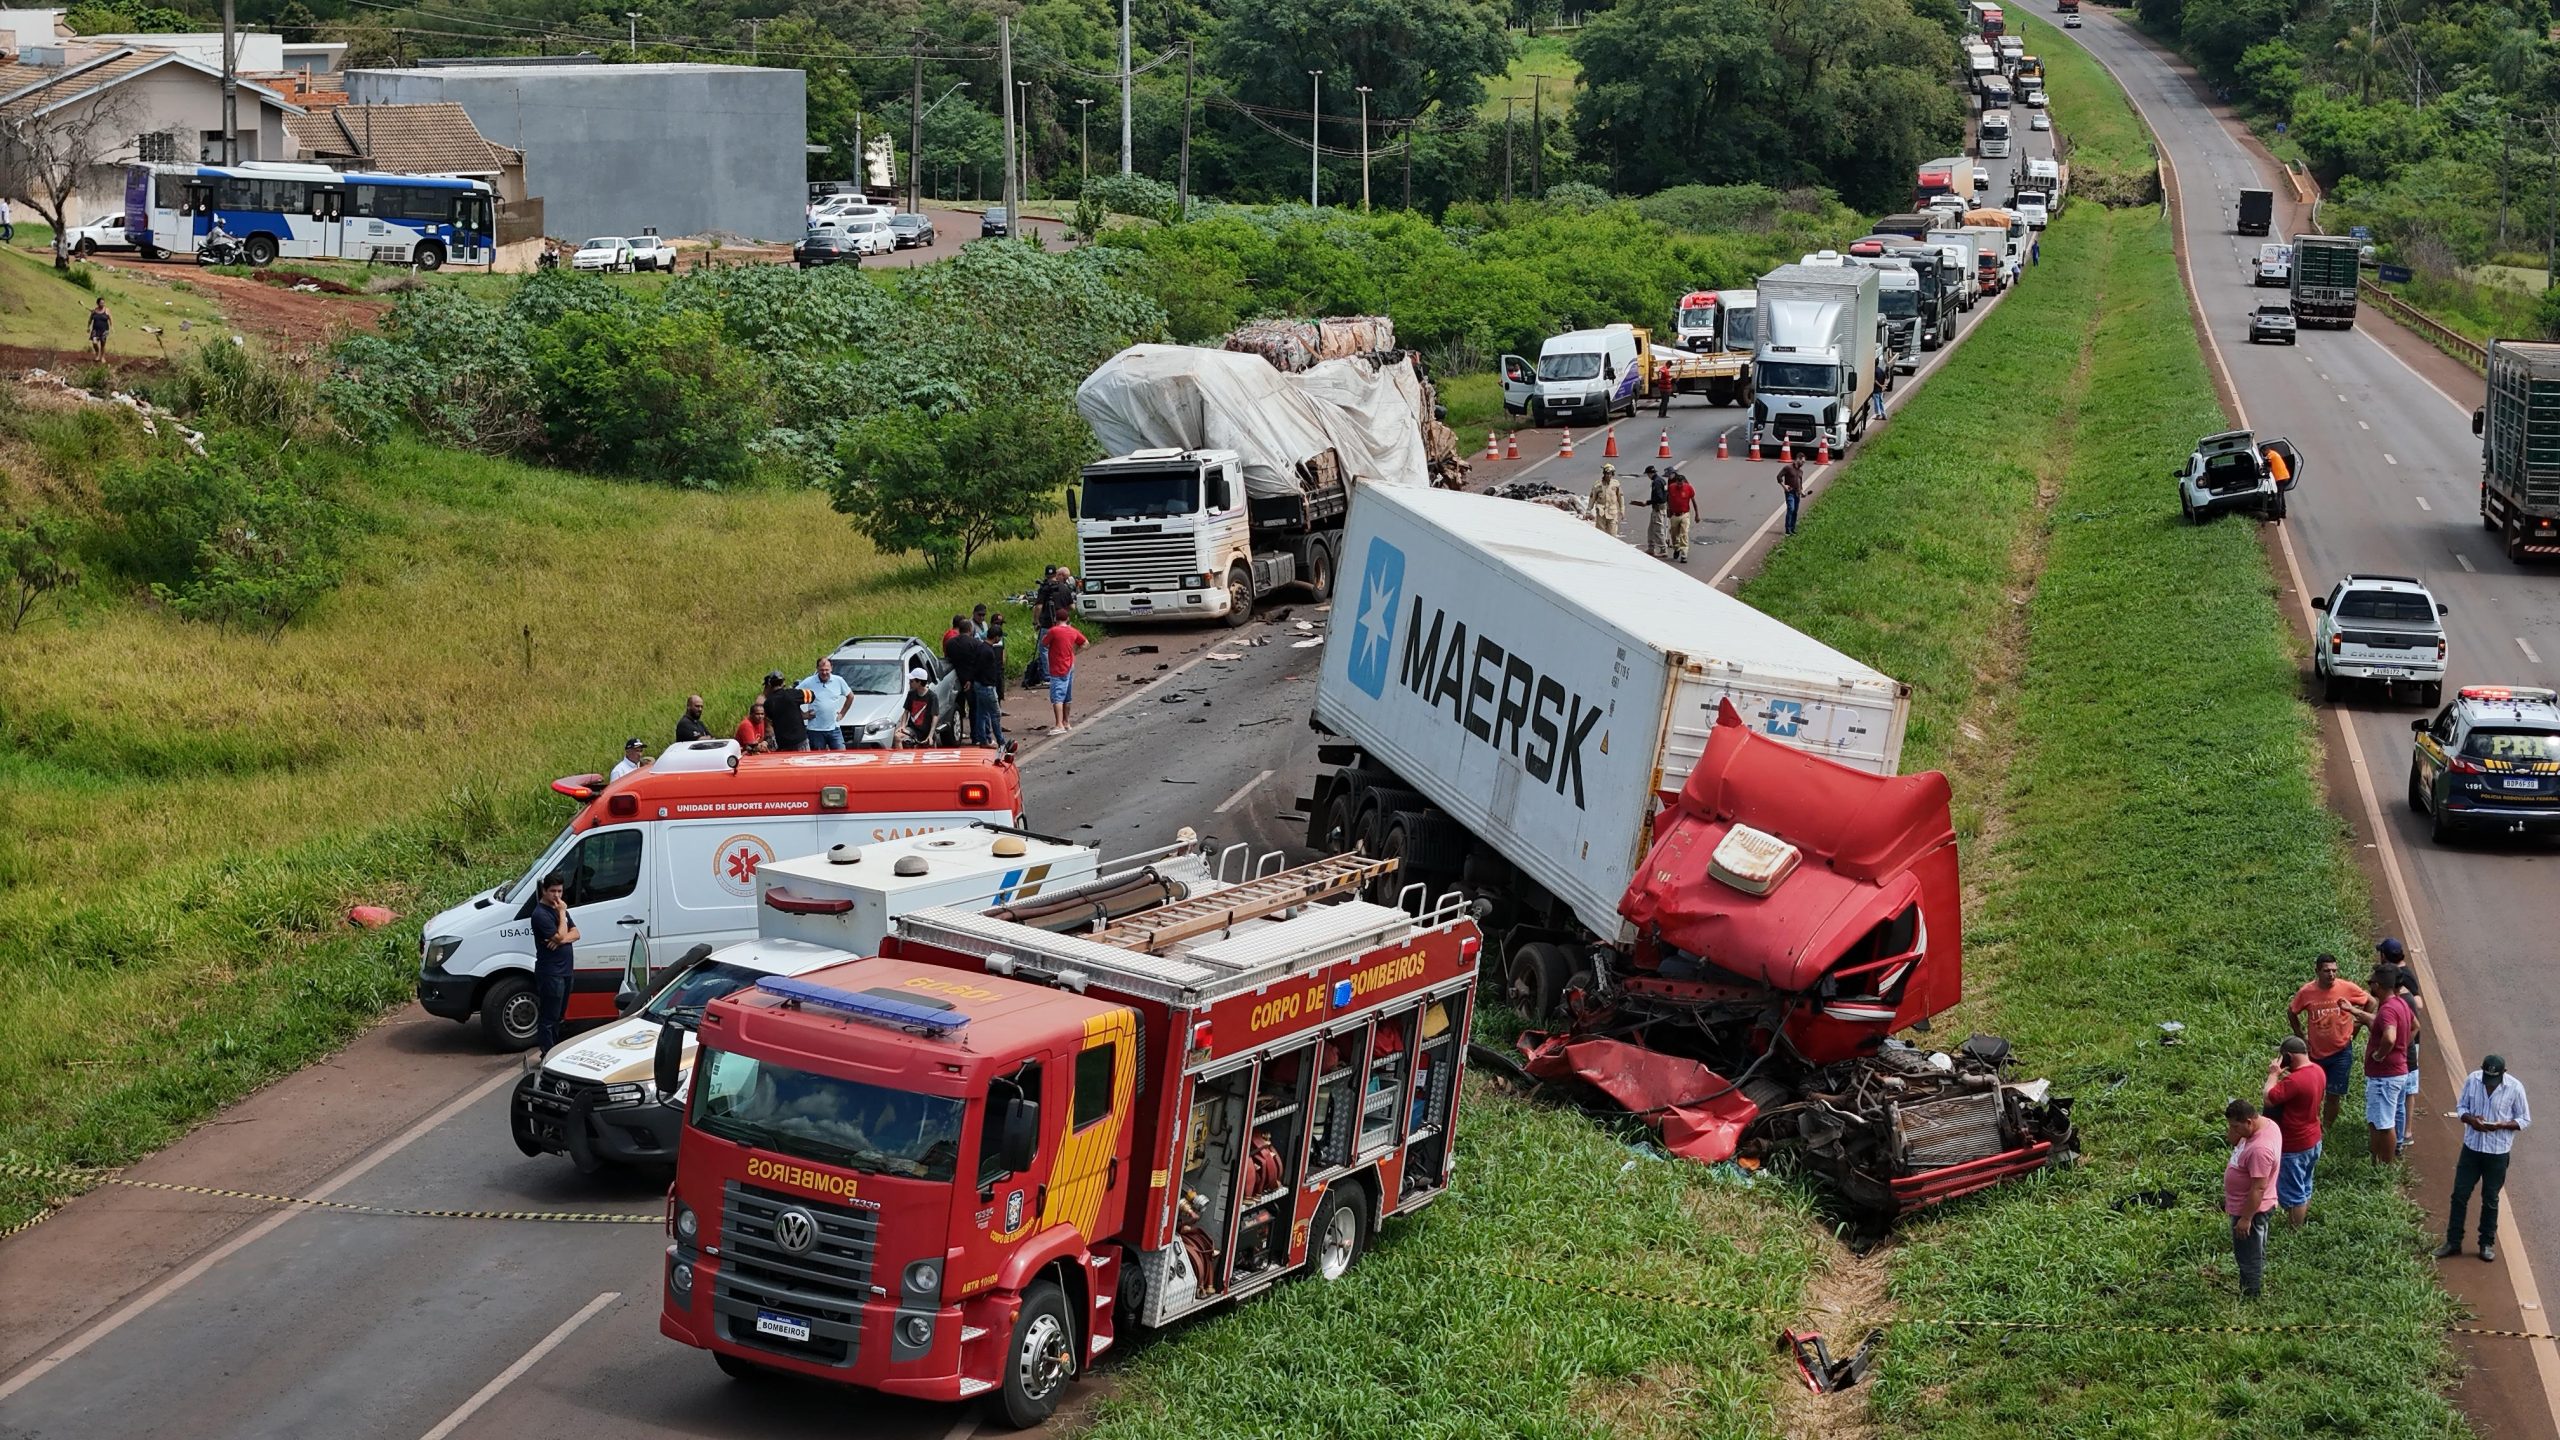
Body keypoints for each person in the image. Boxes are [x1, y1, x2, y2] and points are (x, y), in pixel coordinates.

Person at [2438, 1055, 2529, 1263]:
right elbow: (2461, 1108)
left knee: (2490, 1199)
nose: (2489, 1083)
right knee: (2459, 1194)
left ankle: (2486, 1243)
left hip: (2497, 1153)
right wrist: (2471, 1120)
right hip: (2472, 1149)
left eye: (2493, 1080)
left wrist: (2501, 1125)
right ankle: (2453, 1242)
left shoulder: (2515, 1088)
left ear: (2503, 1074)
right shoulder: (2472, 1080)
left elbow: (2524, 1119)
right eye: (2487, 1078)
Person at [2289, 953, 2373, 1135]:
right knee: (2313, 1094)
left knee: (2334, 1095)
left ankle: (2325, 1130)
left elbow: (2370, 1002)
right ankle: (2311, 1125)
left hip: (2341, 1052)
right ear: (2317, 971)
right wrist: (2301, 1037)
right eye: (2327, 971)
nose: (2331, 975)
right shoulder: (2306, 992)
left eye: (2334, 971)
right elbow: (2292, 1011)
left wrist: (2358, 1025)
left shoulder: (2347, 988)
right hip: (2315, 1053)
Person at [2265, 1036, 2325, 1227]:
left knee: (2294, 1193)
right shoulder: (2318, 1071)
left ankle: (2294, 1231)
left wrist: (2274, 1074)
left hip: (2295, 1144)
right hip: (2313, 1138)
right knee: (2305, 1185)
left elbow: (2268, 1098)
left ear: (2289, 1056)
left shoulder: (2294, 1081)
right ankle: (2298, 1223)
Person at [2223, 1097, 2280, 1298]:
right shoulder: (2265, 1125)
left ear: (2249, 1121)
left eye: (2237, 1126)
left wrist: (2245, 1219)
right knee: (2252, 1249)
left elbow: (2258, 1188)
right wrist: (2235, 1129)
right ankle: (2249, 1286)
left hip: (2252, 1210)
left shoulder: (2260, 1149)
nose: (2234, 1131)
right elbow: (2233, 1141)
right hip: (2246, 1206)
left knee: (2249, 1254)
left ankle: (2250, 1294)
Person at [2363, 960, 2418, 1164]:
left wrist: (2379, 1055)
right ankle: (2378, 1160)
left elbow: (2389, 1037)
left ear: (2378, 985)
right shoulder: (2401, 1003)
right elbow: (2415, 1025)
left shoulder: (2387, 1010)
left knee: (2385, 1124)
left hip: (2385, 1076)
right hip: (2397, 1071)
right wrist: (2402, 1047)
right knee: (2380, 1120)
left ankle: (2384, 1165)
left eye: (2372, 982)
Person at [528, 873, 579, 1055]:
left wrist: (562, 939)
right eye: (553, 891)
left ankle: (555, 1050)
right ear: (544, 891)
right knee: (549, 1016)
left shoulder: (558, 909)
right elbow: (560, 935)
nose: (557, 896)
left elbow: (576, 933)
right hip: (551, 973)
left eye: (560, 891)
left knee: (559, 1015)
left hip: (565, 971)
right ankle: (547, 1053)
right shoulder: (541, 914)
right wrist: (562, 914)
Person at [950, 621, 1004, 747]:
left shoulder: (979, 647)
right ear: (996, 637)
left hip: (976, 683)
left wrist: (970, 679)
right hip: (987, 686)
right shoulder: (986, 650)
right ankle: (1000, 741)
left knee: (981, 713)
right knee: (995, 714)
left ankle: (982, 739)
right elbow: (983, 669)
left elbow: (975, 666)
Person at [1042, 613, 1088, 735]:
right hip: (1070, 665)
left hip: (1057, 667)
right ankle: (1066, 722)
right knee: (1067, 695)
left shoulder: (1054, 631)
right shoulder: (1073, 631)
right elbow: (1085, 643)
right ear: (1067, 619)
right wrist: (1074, 651)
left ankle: (1059, 724)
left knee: (1057, 697)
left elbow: (1043, 643)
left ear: (1055, 619)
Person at [801, 656, 854, 750]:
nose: (824, 673)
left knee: (842, 755)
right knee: (817, 759)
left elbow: (850, 696)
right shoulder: (809, 682)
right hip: (815, 730)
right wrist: (803, 715)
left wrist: (842, 713)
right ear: (817, 669)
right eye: (821, 670)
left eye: (827, 670)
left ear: (831, 668)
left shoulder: (838, 681)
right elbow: (791, 698)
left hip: (834, 729)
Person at [761, 671, 810, 752]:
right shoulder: (792, 694)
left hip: (783, 743)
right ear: (783, 683)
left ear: (770, 684)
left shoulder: (768, 703)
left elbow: (770, 720)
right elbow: (811, 695)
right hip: (800, 740)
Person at [1633, 466, 1670, 557]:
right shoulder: (1661, 480)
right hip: (1660, 508)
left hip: (1658, 509)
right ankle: (1651, 548)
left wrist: (1648, 502)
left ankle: (1663, 548)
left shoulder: (1656, 482)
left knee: (1657, 530)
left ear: (1650, 473)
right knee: (1651, 530)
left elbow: (1659, 497)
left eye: (1648, 474)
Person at [895, 672, 938, 747]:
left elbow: (935, 716)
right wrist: (902, 726)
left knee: (928, 748)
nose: (909, 683)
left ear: (919, 682)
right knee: (897, 737)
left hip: (926, 730)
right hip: (913, 729)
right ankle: (902, 757)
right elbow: (906, 711)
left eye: (912, 681)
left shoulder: (932, 696)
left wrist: (930, 735)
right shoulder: (911, 694)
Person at [1664, 470, 1697, 564]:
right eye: (1678, 484)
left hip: (1684, 514)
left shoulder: (1688, 488)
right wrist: (1668, 510)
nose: (1679, 486)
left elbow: (1693, 501)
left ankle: (1684, 554)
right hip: (1674, 515)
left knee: (1684, 533)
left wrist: (1697, 514)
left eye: (1681, 484)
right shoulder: (1671, 487)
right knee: (1674, 534)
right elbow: (1668, 499)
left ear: (1683, 482)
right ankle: (1677, 548)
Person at [1587, 463, 1625, 539]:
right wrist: (1588, 510)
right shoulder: (1597, 485)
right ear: (1604, 474)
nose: (1608, 476)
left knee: (1612, 535)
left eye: (1610, 474)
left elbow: (1620, 497)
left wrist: (1622, 510)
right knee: (1600, 535)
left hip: (1612, 512)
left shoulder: (1615, 484)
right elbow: (1592, 498)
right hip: (1601, 512)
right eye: (1607, 474)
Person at [986, 612, 1010, 699]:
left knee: (1000, 688)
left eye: (1000, 624)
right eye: (997, 623)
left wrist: (1004, 658)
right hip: (992, 665)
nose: (999, 626)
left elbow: (1003, 648)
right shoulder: (988, 634)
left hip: (1000, 665)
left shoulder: (1001, 635)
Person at [1777, 461, 1805, 536]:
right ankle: (1788, 529)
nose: (1803, 463)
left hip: (1797, 493)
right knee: (1791, 508)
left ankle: (1793, 528)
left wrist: (1801, 491)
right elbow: (1779, 477)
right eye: (1802, 461)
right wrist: (1784, 486)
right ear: (1798, 459)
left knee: (1795, 511)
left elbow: (1800, 482)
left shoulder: (1800, 472)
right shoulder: (1788, 468)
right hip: (1790, 492)